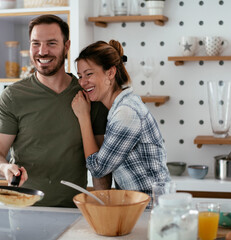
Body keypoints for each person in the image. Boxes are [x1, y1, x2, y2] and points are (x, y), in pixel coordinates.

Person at [0, 15, 109, 208]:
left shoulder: (88, 95)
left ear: (66, 47)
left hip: (74, 211)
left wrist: (105, 208)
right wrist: (4, 167)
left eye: (51, 43)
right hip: (24, 211)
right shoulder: (12, 97)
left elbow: (100, 165)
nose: (42, 51)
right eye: (36, 44)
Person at [71, 40, 170, 201]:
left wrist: (83, 117)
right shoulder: (121, 107)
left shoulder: (126, 114)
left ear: (110, 73)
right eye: (80, 76)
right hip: (145, 207)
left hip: (152, 210)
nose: (82, 82)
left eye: (89, 74)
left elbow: (98, 169)